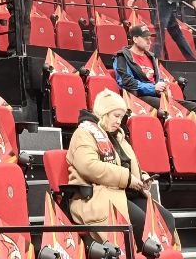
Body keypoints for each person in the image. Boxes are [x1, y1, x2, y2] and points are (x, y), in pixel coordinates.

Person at [66, 90, 178, 247]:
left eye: (121, 117)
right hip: (98, 195)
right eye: (116, 116)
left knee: (166, 219)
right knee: (142, 223)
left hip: (124, 192)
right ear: (103, 113)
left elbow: (127, 164)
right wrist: (128, 179)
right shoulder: (84, 133)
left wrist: (142, 177)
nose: (119, 121)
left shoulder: (118, 136)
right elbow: (89, 167)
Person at [112, 25, 196, 114]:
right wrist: (153, 88)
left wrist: (163, 88)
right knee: (163, 105)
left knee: (194, 107)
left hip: (156, 96)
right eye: (146, 39)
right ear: (135, 39)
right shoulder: (122, 56)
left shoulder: (152, 57)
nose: (149, 42)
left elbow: (159, 79)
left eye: (150, 39)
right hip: (138, 97)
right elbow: (126, 82)